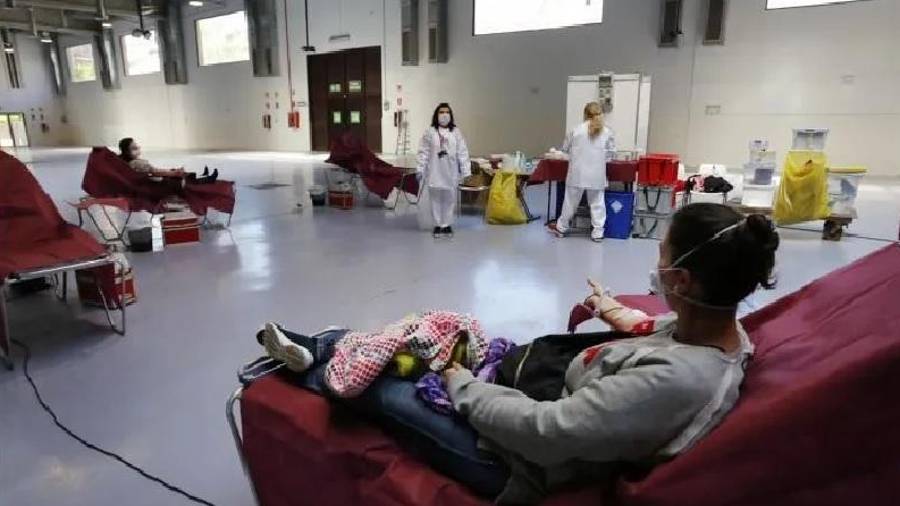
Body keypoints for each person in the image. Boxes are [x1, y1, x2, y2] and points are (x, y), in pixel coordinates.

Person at [254, 203, 779, 504]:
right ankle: (326, 346)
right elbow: (653, 327)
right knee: (437, 328)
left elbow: (546, 434)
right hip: (528, 383)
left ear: (682, 279)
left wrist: (462, 383)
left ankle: (315, 360)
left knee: (388, 388)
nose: (656, 262)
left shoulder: (678, 383)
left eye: (662, 253)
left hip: (515, 461)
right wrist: (610, 309)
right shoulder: (714, 331)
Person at [548, 102, 616, 242]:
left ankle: (561, 228)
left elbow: (565, 150)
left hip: (577, 174)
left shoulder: (576, 130)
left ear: (585, 114)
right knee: (597, 204)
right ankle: (597, 233)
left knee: (570, 202)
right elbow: (611, 154)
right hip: (597, 175)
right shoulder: (607, 132)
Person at [416, 103, 471, 238]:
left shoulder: (456, 132)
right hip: (434, 171)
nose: (444, 115)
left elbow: (462, 152)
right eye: (441, 112)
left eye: (447, 112)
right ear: (436, 114)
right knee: (435, 199)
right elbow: (423, 151)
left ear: (451, 115)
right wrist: (420, 168)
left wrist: (466, 171)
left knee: (449, 199)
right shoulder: (430, 132)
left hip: (451, 172)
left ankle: (446, 225)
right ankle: (437, 225)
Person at [117, 137, 218, 183]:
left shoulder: (129, 163)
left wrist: (171, 171)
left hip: (150, 182)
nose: (138, 150)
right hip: (152, 185)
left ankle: (203, 177)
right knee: (177, 178)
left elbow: (154, 171)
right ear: (126, 152)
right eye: (134, 148)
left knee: (175, 173)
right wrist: (174, 173)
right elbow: (155, 172)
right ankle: (205, 179)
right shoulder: (136, 163)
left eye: (137, 147)